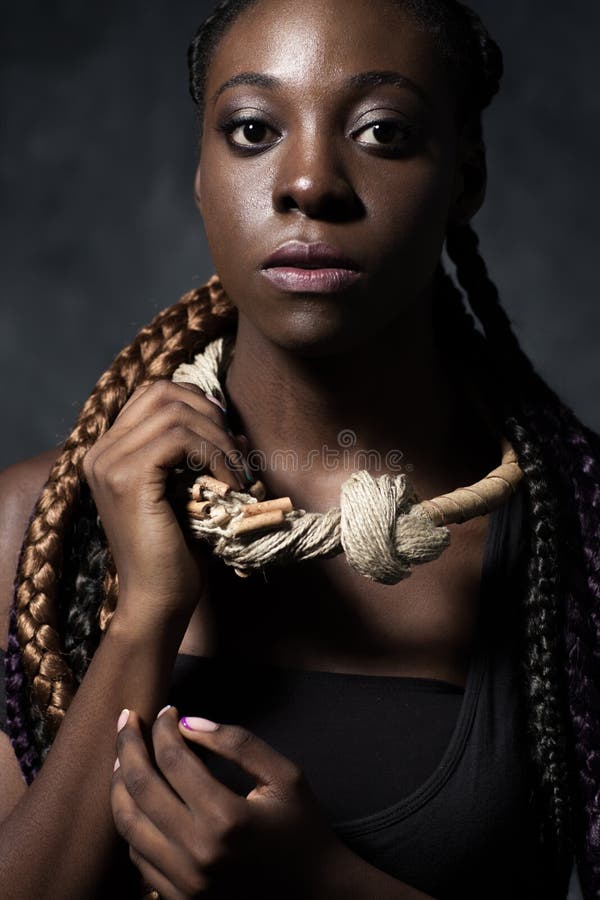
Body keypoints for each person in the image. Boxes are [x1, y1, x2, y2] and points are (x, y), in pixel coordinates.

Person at [0, 0, 597, 897]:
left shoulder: (578, 544)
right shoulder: (29, 526)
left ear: (465, 174)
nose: (309, 182)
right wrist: (146, 617)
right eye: (251, 130)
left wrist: (321, 883)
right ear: (201, 175)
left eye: (383, 132)